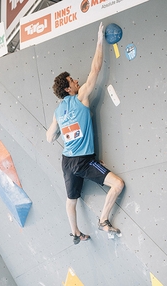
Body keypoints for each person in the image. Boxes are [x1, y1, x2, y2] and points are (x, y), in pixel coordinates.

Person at [46, 22, 124, 245]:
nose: (77, 80)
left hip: (67, 162)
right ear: (68, 89)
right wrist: (100, 39)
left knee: (71, 199)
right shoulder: (81, 98)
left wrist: (64, 126)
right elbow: (95, 70)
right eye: (73, 80)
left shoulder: (58, 111)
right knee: (117, 185)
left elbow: (50, 137)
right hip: (83, 162)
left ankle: (76, 233)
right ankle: (103, 220)